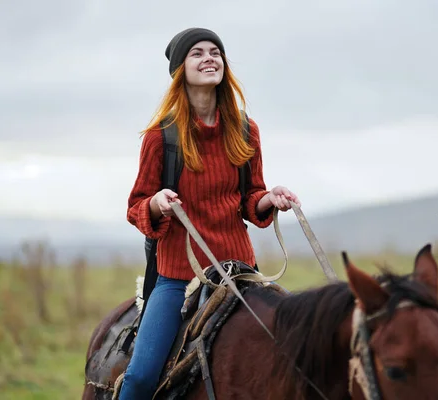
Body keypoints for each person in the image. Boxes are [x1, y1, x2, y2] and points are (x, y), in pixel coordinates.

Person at [119, 27, 301, 399]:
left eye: (215, 52)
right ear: (180, 70)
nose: (209, 58)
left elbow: (251, 197)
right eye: (197, 53)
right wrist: (157, 203)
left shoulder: (246, 131)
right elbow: (136, 205)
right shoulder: (161, 137)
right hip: (178, 278)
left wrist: (271, 198)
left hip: (240, 273)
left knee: (289, 360)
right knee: (139, 377)